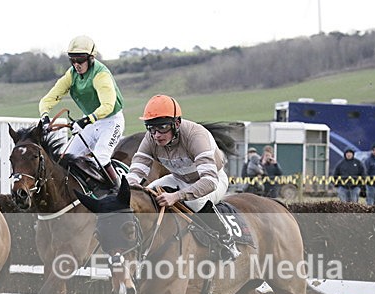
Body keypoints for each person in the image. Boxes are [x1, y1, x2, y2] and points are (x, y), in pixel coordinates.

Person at [126, 94, 240, 260]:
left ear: (176, 123)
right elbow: (138, 167)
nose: (157, 135)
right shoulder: (151, 138)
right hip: (179, 178)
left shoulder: (196, 136)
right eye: (151, 128)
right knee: (146, 195)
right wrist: (127, 189)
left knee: (193, 201)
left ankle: (226, 240)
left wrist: (176, 196)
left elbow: (209, 181)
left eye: (162, 127)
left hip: (212, 179)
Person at [39, 35, 124, 188]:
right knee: (65, 158)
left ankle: (121, 195)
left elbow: (107, 106)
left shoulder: (101, 74)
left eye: (80, 60)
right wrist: (44, 116)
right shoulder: (71, 75)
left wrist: (85, 121)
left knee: (101, 158)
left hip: (111, 122)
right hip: (91, 121)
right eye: (72, 60)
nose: (76, 65)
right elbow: (48, 99)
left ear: (91, 58)